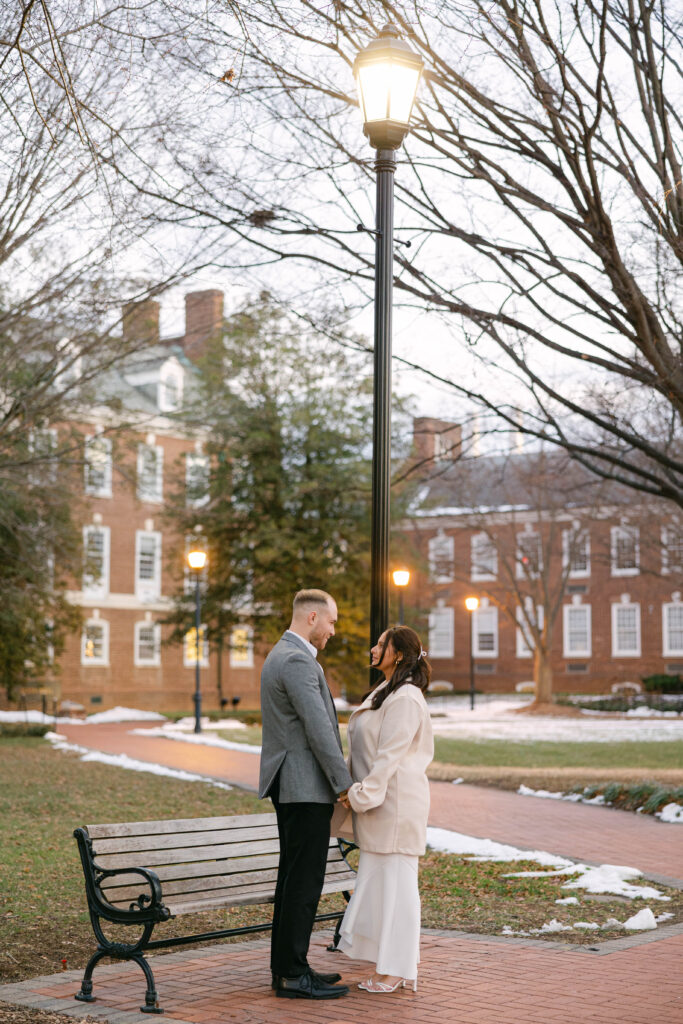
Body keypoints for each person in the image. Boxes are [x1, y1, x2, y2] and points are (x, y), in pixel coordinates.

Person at [259, 589, 353, 1000]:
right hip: (304, 787)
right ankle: (293, 975)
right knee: (303, 881)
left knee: (293, 879)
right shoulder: (296, 659)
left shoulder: (281, 653)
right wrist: (344, 783)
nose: (333, 631)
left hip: (293, 786)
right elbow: (319, 730)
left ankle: (288, 967)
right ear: (312, 617)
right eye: (331, 622)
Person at [336, 625, 434, 994]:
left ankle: (397, 968)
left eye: (381, 644)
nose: (373, 649)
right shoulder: (384, 692)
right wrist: (349, 789)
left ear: (400, 654)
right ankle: (387, 964)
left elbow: (389, 757)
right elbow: (364, 750)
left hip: (395, 807)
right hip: (377, 805)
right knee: (380, 889)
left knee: (398, 888)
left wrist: (362, 794)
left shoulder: (406, 698)